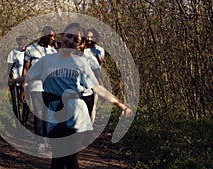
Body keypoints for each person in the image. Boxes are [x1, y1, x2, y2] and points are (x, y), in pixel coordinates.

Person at [9, 22, 132, 169]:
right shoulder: (47, 60)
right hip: (55, 114)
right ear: (62, 35)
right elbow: (29, 77)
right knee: (58, 159)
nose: (71, 41)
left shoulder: (81, 62)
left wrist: (121, 105)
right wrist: (11, 80)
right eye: (69, 36)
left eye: (76, 40)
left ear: (80, 44)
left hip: (76, 115)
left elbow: (97, 88)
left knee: (71, 159)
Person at [20, 26, 57, 153]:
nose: (52, 39)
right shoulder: (30, 50)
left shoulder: (53, 52)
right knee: (39, 113)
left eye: (54, 37)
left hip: (50, 88)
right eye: (50, 36)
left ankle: (46, 138)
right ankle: (40, 142)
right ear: (43, 34)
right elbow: (25, 69)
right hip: (35, 86)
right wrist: (23, 89)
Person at [7, 35, 30, 124]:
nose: (21, 43)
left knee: (26, 104)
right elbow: (9, 68)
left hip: (26, 83)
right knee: (16, 104)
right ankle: (18, 124)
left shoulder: (29, 53)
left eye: (23, 41)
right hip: (14, 82)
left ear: (26, 42)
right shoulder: (12, 53)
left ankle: (24, 122)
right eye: (19, 41)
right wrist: (11, 78)